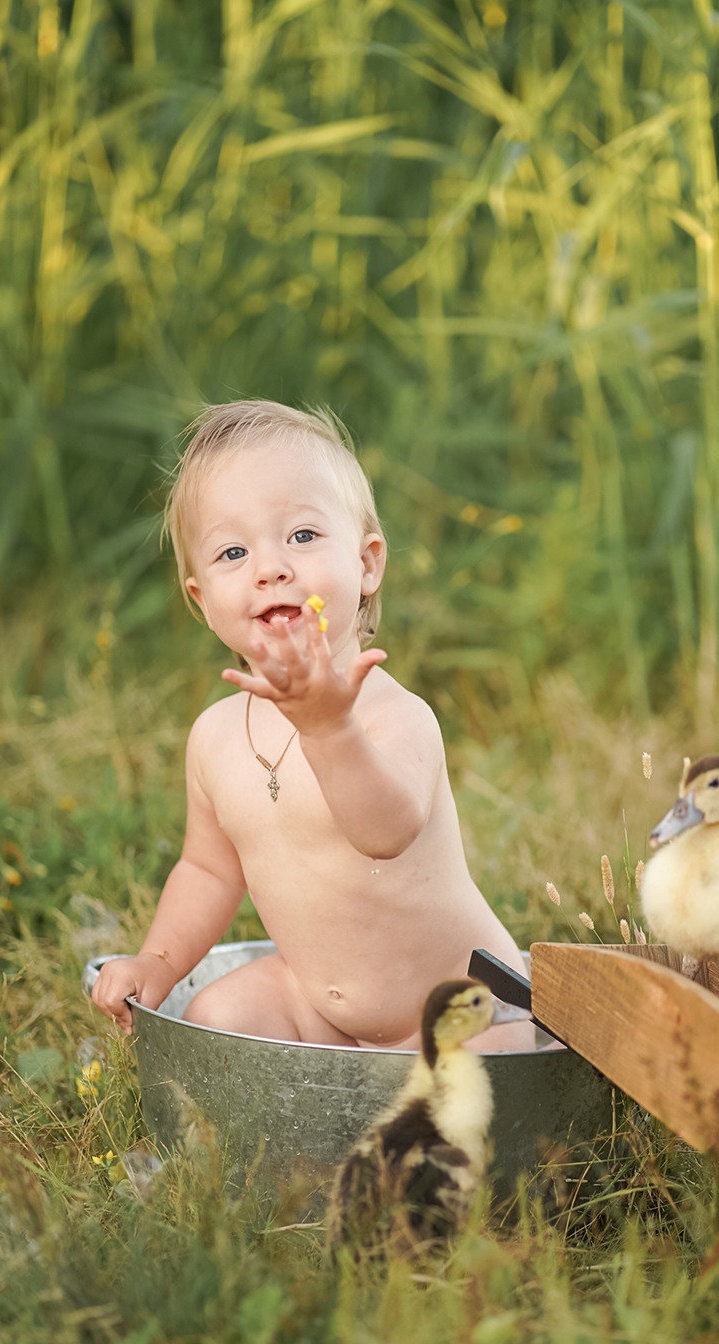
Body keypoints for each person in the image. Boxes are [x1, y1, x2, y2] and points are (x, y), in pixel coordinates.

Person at [91, 400, 531, 1051]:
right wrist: (158, 962)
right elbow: (208, 872)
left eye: (301, 536)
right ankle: (338, 1083)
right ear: (201, 599)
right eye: (233, 552)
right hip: (322, 1010)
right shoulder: (215, 738)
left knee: (476, 1090)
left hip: (458, 1010)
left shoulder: (394, 715)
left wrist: (329, 730)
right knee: (218, 1019)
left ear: (367, 563)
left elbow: (385, 833)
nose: (271, 567)